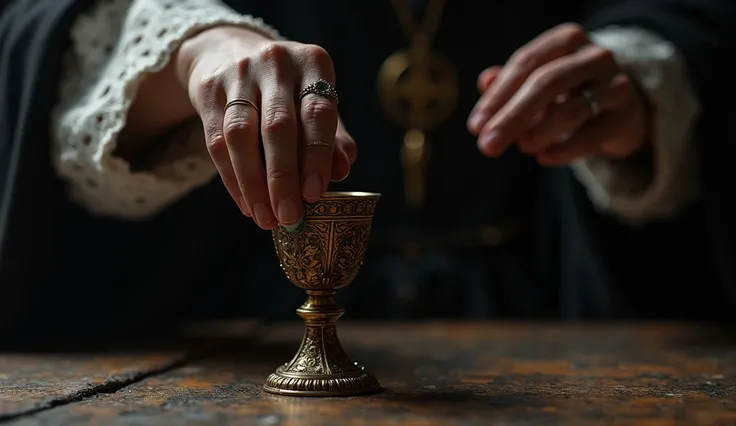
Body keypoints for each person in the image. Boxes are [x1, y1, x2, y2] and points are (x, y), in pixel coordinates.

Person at [0, 0, 734, 342]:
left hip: (553, 306)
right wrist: (191, 45)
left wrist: (647, 89)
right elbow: (33, 27)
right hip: (248, 316)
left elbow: (700, 20)